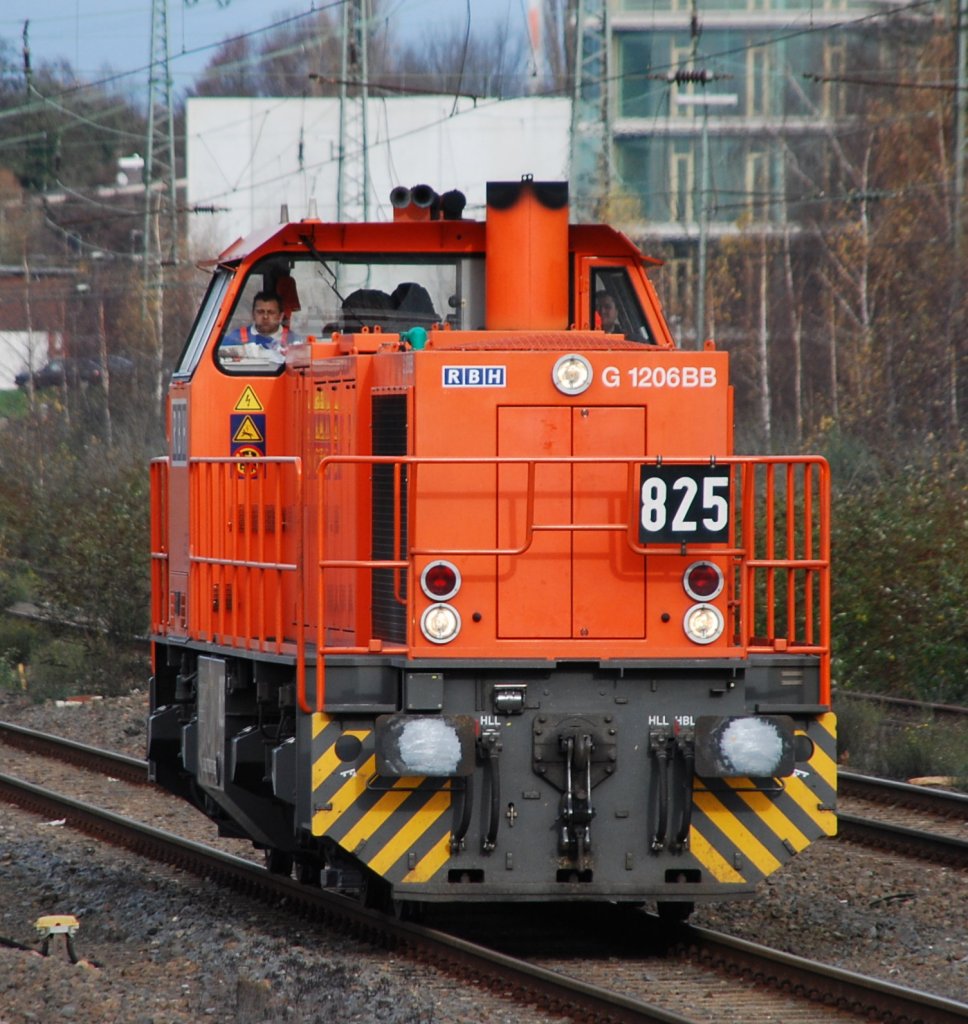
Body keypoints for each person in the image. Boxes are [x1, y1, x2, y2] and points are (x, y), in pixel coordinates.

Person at [220, 291, 298, 364]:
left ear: (280, 316)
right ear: (253, 314)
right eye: (260, 312)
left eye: (271, 312)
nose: (265, 316)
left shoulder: (293, 339)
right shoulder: (235, 337)